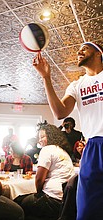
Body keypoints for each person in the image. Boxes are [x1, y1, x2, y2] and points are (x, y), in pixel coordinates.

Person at [32, 42, 103, 219]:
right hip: (93, 147)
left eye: (85, 48)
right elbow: (60, 112)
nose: (79, 51)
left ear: (98, 54)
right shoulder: (77, 85)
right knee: (87, 209)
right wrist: (46, 77)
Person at [15, 122, 75, 220]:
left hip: (51, 199)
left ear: (51, 136)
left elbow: (39, 180)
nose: (40, 140)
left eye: (43, 137)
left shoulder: (47, 149)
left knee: (17, 202)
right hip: (65, 200)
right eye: (39, 138)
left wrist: (38, 194)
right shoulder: (62, 151)